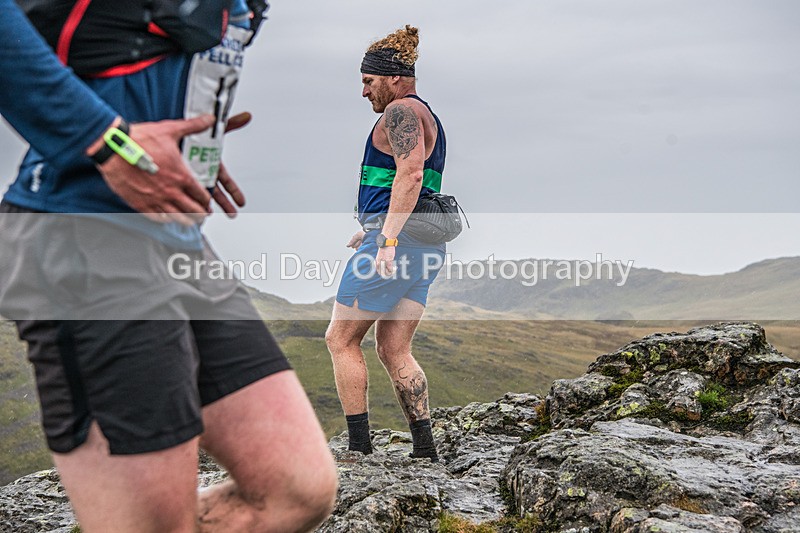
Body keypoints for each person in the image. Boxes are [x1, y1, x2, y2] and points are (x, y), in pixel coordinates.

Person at [0, 1, 338, 532]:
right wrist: (107, 141)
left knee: (293, 489)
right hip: (83, 239)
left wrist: (187, 138)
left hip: (175, 240)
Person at [326, 25, 447, 461]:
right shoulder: (425, 114)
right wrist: (376, 226)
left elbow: (411, 175)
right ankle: (425, 449)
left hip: (398, 244)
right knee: (394, 347)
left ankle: (358, 450)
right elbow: (414, 183)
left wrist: (387, 238)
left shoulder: (399, 113)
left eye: (368, 81)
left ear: (393, 77)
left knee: (340, 340)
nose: (364, 92)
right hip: (425, 246)